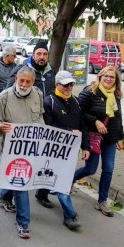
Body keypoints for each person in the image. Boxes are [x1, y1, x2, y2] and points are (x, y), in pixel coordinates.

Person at [0, 66, 44, 239]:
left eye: (28, 81)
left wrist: (42, 133)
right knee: (22, 184)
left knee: (15, 181)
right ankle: (23, 223)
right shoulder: (4, 96)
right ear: (16, 79)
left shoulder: (38, 95)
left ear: (33, 82)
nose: (24, 84)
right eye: (21, 80)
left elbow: (40, 116)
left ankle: (3, 194)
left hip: (32, 147)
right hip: (12, 149)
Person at [34, 70, 85, 230]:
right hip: (52, 149)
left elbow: (83, 126)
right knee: (61, 181)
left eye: (71, 84)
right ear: (57, 85)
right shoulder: (49, 102)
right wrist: (69, 133)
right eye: (65, 85)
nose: (69, 87)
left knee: (50, 176)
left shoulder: (76, 102)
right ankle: (70, 216)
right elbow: (47, 127)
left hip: (70, 151)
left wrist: (86, 146)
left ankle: (41, 194)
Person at [73, 66, 124, 217]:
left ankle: (102, 201)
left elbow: (118, 117)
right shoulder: (90, 91)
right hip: (93, 137)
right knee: (91, 169)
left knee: (108, 169)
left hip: (110, 138)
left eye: (112, 77)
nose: (108, 79)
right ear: (100, 77)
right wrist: (95, 121)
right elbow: (78, 112)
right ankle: (69, 179)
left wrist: (120, 137)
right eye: (106, 76)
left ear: (116, 80)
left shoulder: (115, 95)